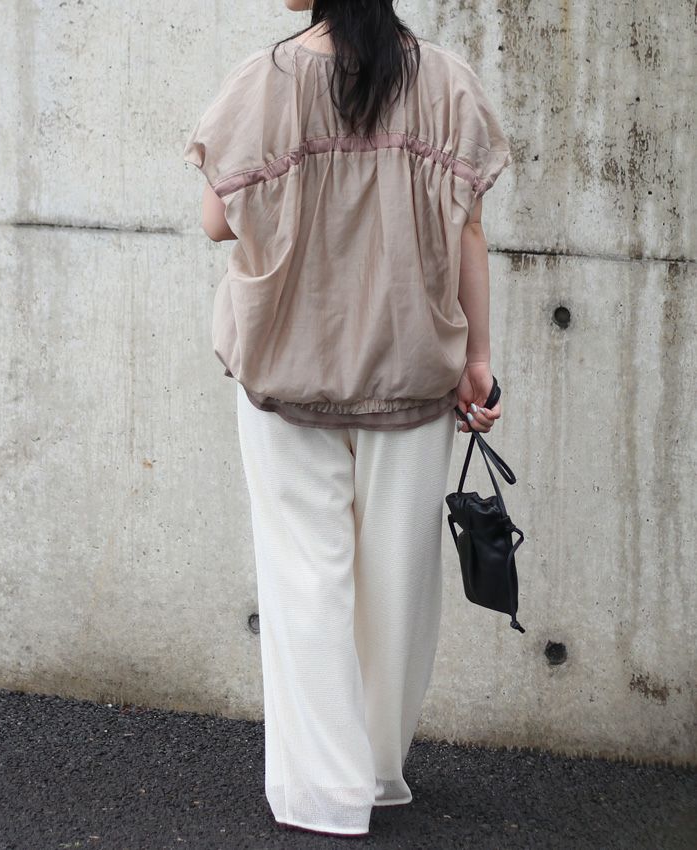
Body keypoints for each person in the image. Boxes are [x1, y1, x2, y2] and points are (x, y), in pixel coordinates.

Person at [182, 0, 513, 838]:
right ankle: (375, 771)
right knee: (397, 583)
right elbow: (469, 232)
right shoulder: (445, 83)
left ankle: (324, 792)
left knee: (305, 579)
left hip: (291, 366)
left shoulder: (265, 81)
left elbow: (218, 221)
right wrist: (477, 359)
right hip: (412, 368)